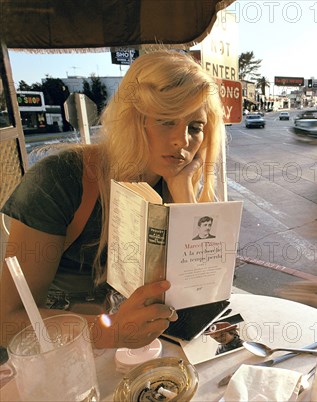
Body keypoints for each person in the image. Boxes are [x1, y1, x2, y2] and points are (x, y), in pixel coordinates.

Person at [0, 50, 225, 349]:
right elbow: (7, 321)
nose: (182, 141)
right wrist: (108, 333)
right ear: (133, 118)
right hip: (61, 358)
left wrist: (183, 190)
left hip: (140, 351)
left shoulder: (171, 181)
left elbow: (197, 292)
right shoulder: (63, 179)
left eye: (195, 127)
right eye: (166, 120)